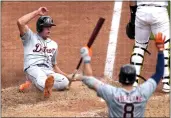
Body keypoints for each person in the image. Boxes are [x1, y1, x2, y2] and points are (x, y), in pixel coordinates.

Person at [76, 32, 164, 117]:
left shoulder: (111, 93)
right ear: (134, 79)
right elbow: (159, 73)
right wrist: (160, 50)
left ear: (120, 78)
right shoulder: (143, 92)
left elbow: (88, 78)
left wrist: (86, 58)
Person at [17, 7, 71, 98]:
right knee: (41, 77)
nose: (49, 29)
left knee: (64, 81)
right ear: (40, 27)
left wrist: (68, 76)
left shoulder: (54, 44)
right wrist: (37, 12)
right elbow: (20, 22)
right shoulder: (30, 37)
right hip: (33, 68)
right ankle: (44, 87)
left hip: (47, 71)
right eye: (46, 27)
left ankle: (33, 85)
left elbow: (54, 66)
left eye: (50, 27)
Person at [127, 1, 170, 92]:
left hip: (141, 12)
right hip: (160, 12)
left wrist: (133, 17)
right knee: (164, 46)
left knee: (139, 46)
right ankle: (166, 82)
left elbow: (132, 1)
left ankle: (134, 80)